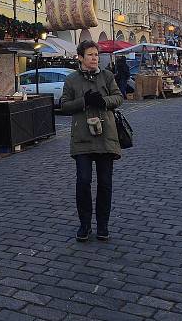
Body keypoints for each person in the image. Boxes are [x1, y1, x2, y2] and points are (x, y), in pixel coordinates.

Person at [61, 40, 124, 243]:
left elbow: (119, 97)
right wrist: (84, 102)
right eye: (90, 54)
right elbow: (64, 106)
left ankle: (103, 224)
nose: (95, 57)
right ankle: (85, 224)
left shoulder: (107, 76)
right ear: (80, 57)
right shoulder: (71, 80)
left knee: (105, 183)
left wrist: (103, 101)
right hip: (82, 138)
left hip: (106, 136)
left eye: (96, 54)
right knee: (83, 182)